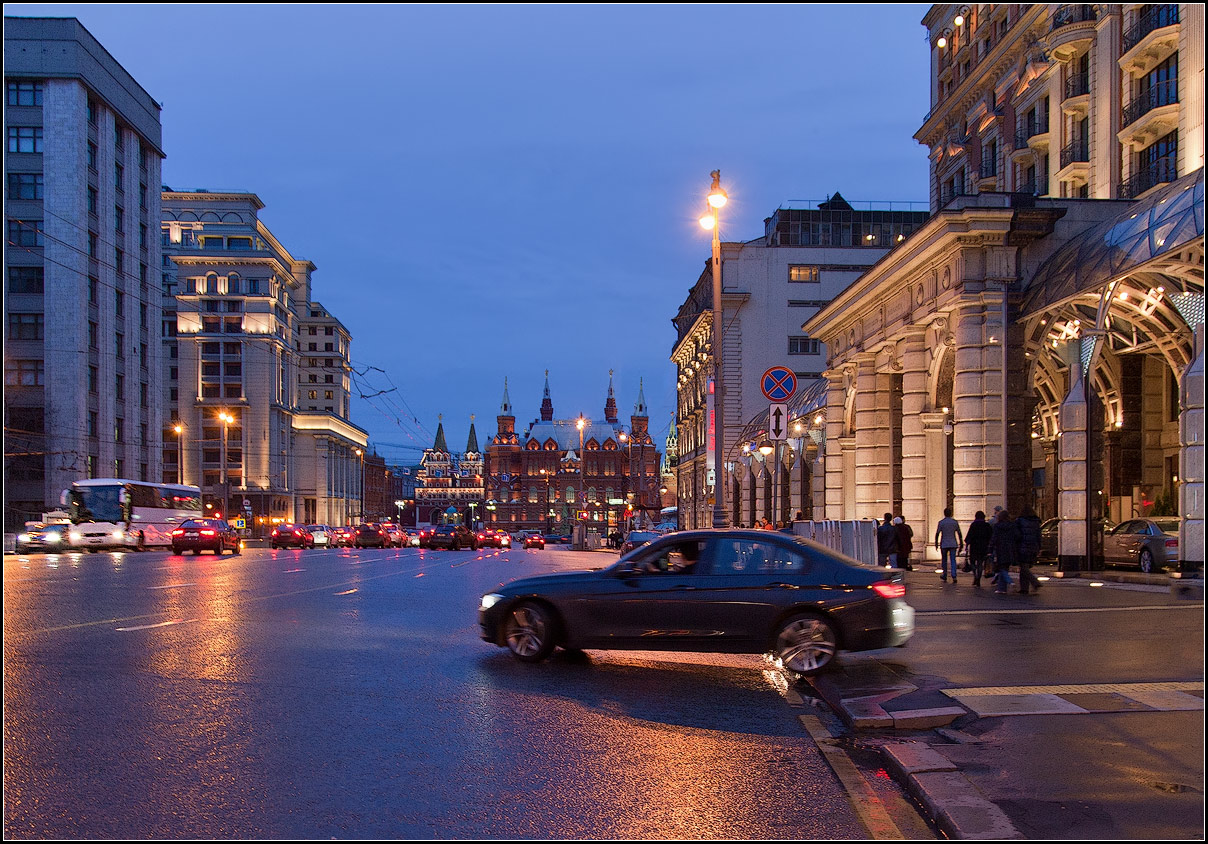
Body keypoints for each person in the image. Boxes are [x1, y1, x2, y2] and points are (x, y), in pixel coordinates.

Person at [989, 508, 1020, 593]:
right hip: (1010, 549)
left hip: (1000, 549)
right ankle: (1002, 588)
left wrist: (990, 549)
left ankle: (1010, 581)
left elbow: (994, 539)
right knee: (1004, 568)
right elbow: (1017, 536)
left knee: (1001, 568)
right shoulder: (1012, 525)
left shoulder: (997, 526)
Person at [1016, 505, 1043, 594]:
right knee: (1025, 566)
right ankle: (1024, 588)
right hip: (1033, 547)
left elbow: (1017, 535)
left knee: (1023, 567)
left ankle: (1035, 582)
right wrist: (1039, 547)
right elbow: (1039, 536)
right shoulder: (1036, 522)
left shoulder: (1019, 521)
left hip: (1023, 546)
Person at [934, 507, 963, 583]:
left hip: (944, 543)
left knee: (944, 560)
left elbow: (937, 533)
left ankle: (945, 574)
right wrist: (961, 543)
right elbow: (959, 533)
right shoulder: (955, 522)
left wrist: (936, 543)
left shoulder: (941, 522)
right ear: (951, 513)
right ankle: (954, 575)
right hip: (953, 543)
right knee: (953, 560)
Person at [965, 511, 993, 587]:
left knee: (973, 563)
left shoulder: (974, 525)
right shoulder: (987, 525)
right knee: (980, 563)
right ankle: (979, 578)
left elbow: (969, 536)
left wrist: (966, 545)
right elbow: (991, 537)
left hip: (974, 546)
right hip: (983, 547)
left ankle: (975, 575)